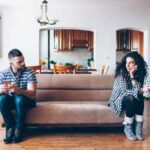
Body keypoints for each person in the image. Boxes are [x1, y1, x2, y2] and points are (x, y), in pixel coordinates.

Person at [108, 51, 150, 141]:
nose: (127, 65)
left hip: (130, 97)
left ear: (137, 64)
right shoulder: (122, 73)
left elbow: (136, 92)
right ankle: (128, 127)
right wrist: (141, 88)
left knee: (140, 97)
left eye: (131, 63)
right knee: (133, 97)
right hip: (118, 99)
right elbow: (128, 93)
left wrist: (140, 88)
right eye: (127, 62)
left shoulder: (139, 73)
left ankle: (138, 128)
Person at [0, 49, 37, 144]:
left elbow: (33, 94)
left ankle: (19, 128)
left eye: (23, 60)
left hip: (27, 101)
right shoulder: (3, 74)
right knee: (2, 98)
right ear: (11, 63)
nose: (23, 63)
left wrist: (18, 91)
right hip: (11, 100)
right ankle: (10, 127)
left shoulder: (30, 73)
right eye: (19, 62)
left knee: (19, 98)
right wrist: (1, 91)